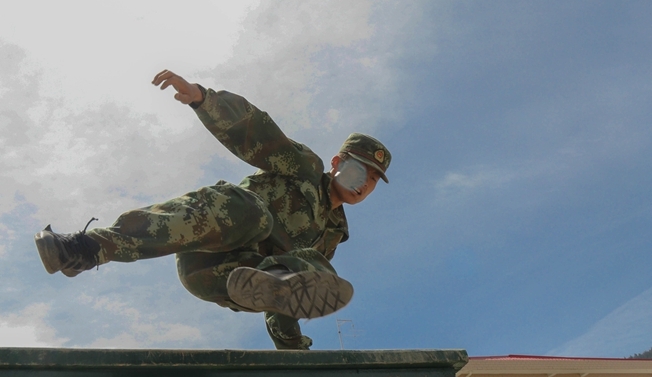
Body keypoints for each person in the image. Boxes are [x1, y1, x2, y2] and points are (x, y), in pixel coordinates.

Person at [34, 69, 391, 350]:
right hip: (206, 248)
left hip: (222, 279)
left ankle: (289, 333)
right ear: (337, 163)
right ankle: (84, 248)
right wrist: (204, 100)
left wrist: (294, 351)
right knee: (255, 213)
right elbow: (259, 133)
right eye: (358, 172)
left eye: (372, 180)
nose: (363, 184)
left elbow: (288, 297)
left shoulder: (330, 238)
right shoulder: (305, 169)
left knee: (316, 268)